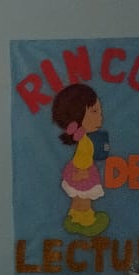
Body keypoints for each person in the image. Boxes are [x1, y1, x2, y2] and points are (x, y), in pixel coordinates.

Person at [52, 83, 111, 236]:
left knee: (78, 197)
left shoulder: (84, 138)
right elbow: (82, 159)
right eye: (95, 111)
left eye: (99, 111)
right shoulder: (85, 141)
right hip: (82, 171)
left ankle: (74, 216)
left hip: (77, 169)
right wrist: (82, 173)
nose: (100, 117)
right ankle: (86, 221)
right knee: (84, 199)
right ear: (78, 115)